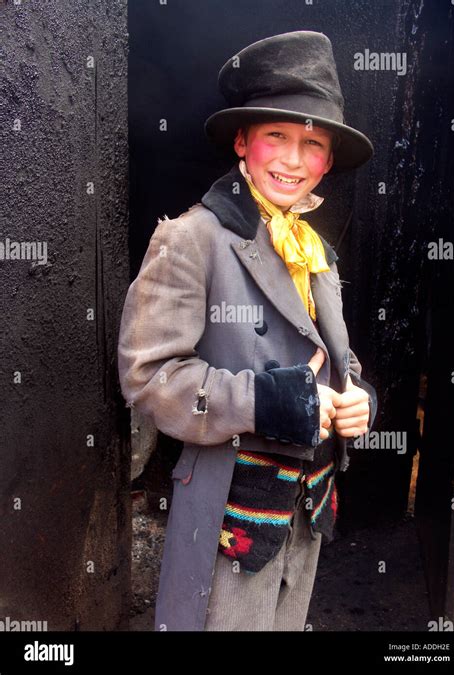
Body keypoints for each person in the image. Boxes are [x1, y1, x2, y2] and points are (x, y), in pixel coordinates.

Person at [118, 30, 378, 632]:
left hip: (305, 515)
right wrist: (267, 402)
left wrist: (359, 399)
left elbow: (337, 362)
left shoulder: (316, 252)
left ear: (329, 159)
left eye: (311, 144)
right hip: (228, 514)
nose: (293, 159)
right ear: (243, 141)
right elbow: (148, 376)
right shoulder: (190, 239)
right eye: (277, 137)